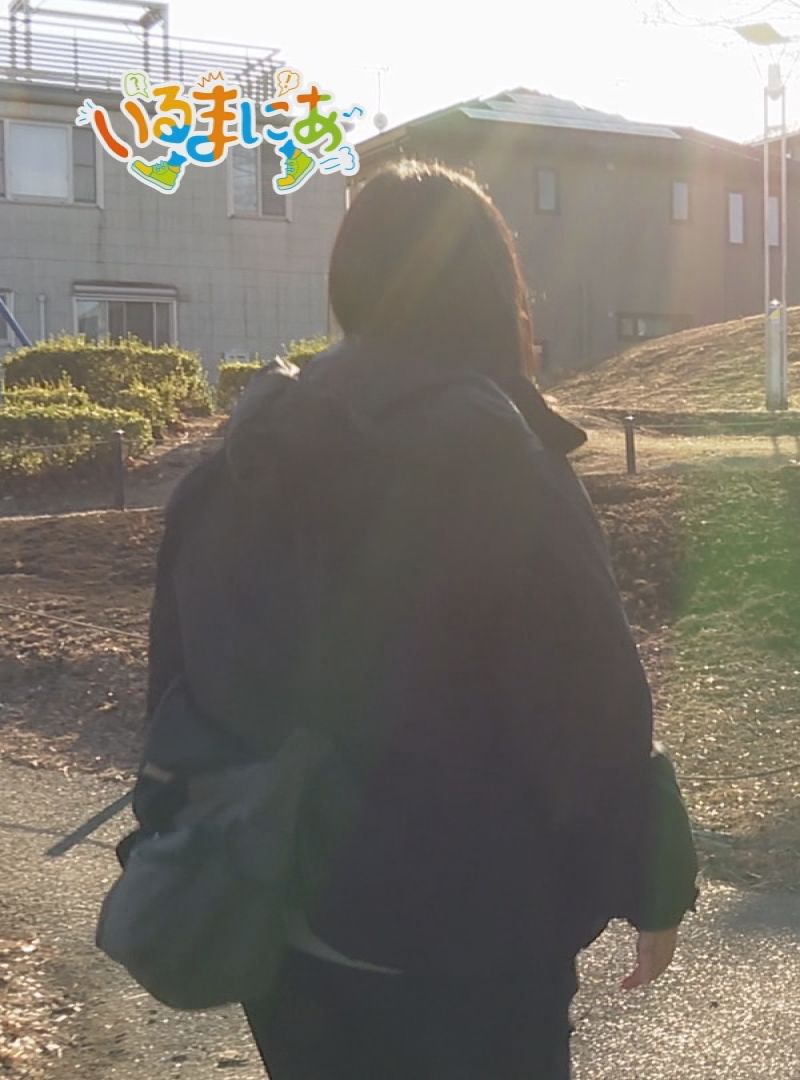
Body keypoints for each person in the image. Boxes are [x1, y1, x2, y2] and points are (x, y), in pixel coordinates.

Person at [123, 160, 697, 1079]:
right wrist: (647, 879)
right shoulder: (500, 461)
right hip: (468, 935)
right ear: (494, 291)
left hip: (280, 913)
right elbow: (589, 707)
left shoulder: (235, 464)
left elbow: (176, 691)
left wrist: (184, 833)